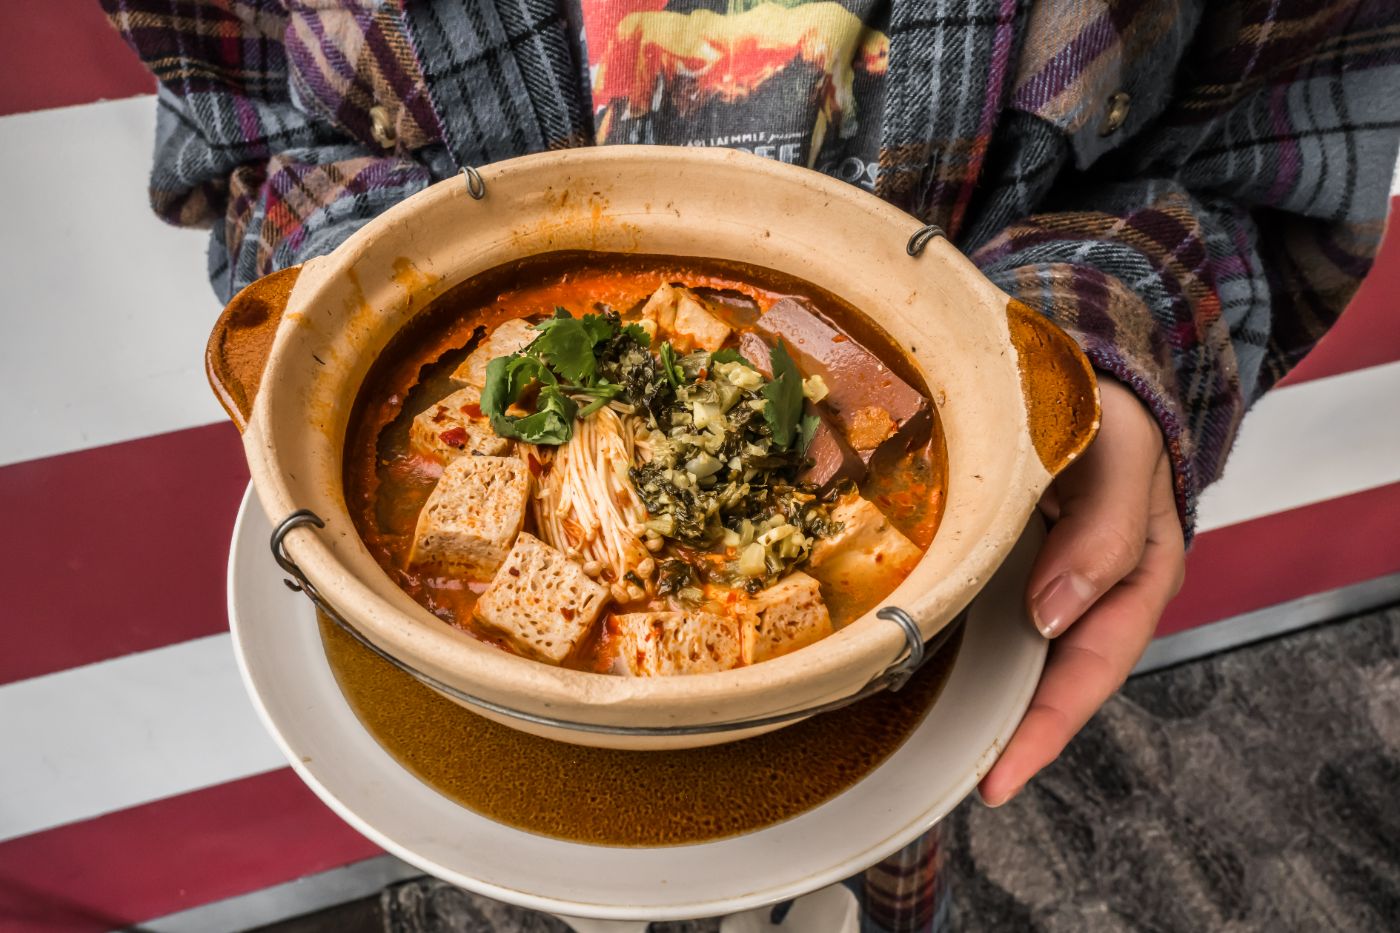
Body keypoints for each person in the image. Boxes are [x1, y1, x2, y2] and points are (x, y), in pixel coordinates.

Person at [104, 1, 1400, 929]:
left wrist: (1102, 347)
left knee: (867, 866)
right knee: (543, 877)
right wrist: (343, 278)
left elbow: (1257, 151)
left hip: (905, 652)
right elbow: (248, 128)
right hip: (477, 717)